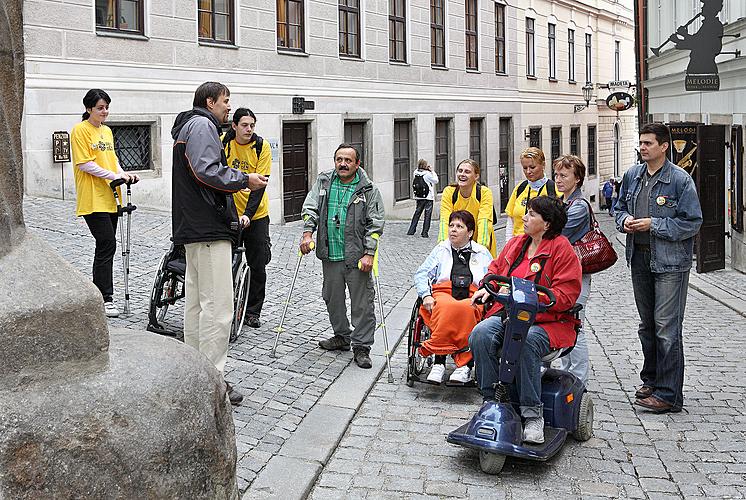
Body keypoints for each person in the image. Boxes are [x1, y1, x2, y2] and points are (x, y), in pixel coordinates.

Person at [171, 82, 268, 406]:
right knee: (219, 309)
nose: (229, 107)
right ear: (210, 101)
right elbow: (206, 171)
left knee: (198, 305)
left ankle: (193, 373)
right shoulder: (202, 125)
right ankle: (211, 381)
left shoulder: (191, 124)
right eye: (226, 101)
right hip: (208, 228)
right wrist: (245, 180)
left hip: (195, 228)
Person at [469, 196, 581, 444]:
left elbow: (567, 295)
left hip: (546, 322)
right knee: (481, 334)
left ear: (547, 223)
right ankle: (492, 400)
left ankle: (532, 414)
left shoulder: (562, 249)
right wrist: (490, 287)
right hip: (508, 315)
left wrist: (532, 298)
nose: (524, 217)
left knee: (527, 341)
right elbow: (495, 270)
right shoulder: (516, 244)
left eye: (531, 214)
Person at [615, 122, 703, 414]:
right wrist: (624, 219)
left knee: (667, 327)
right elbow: (617, 207)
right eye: (641, 143)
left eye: (648, 143)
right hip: (638, 258)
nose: (642, 147)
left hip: (670, 262)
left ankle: (669, 395)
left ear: (664, 146)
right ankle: (651, 381)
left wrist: (655, 225)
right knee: (647, 325)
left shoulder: (679, 180)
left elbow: (692, 222)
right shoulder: (633, 175)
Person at [300, 144, 385, 369]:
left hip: (357, 257)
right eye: (339, 159)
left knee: (362, 304)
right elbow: (311, 207)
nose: (343, 164)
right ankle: (341, 336)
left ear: (358, 164)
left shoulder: (368, 190)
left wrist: (369, 253)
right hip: (331, 253)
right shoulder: (325, 183)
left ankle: (362, 346)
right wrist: (308, 232)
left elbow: (375, 223)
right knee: (332, 298)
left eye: (348, 160)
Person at [70, 89, 139, 318]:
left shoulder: (107, 131)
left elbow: (113, 160)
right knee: (106, 242)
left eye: (106, 107)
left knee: (108, 245)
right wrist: (112, 176)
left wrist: (123, 175)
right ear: (89, 109)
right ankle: (104, 297)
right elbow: (84, 163)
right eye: (100, 108)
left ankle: (102, 295)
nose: (105, 112)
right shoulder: (80, 130)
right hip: (92, 197)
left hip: (111, 196)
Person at [413, 210, 492, 384]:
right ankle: (439, 363)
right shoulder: (441, 249)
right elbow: (421, 274)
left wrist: (488, 290)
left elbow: (492, 277)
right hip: (445, 292)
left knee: (467, 309)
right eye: (451, 225)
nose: (453, 230)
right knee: (444, 307)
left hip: (473, 295)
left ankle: (465, 366)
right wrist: (426, 295)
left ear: (470, 232)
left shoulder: (482, 253)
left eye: (459, 226)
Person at [223, 107, 272, 328]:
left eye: (252, 125)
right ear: (234, 126)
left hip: (256, 214)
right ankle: (227, 304)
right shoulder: (224, 142)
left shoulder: (261, 146)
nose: (249, 129)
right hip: (230, 212)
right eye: (244, 125)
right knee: (228, 261)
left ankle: (253, 311)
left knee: (257, 263)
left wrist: (248, 215)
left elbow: (260, 185)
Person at [553, 155, 592, 385]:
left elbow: (556, 232)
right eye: (557, 175)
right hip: (563, 274)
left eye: (563, 175)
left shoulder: (578, 207)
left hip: (577, 275)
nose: (558, 179)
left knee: (576, 326)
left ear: (576, 179)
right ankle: (569, 375)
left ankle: (579, 380)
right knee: (565, 325)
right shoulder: (565, 202)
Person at [438, 159, 497, 257]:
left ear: (476, 176)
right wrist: (444, 246)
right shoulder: (449, 192)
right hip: (457, 244)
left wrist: (480, 249)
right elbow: (445, 220)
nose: (462, 174)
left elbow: (484, 221)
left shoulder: (484, 193)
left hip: (479, 243)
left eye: (467, 172)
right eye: (460, 171)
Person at [504, 147, 559, 243]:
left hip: (543, 246)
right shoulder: (520, 188)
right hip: (517, 245)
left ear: (543, 165)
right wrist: (508, 244)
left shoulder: (554, 189)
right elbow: (511, 220)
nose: (528, 171)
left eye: (532, 167)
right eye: (525, 168)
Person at [407, 159, 439, 237]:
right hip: (428, 198)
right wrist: (432, 171)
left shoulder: (415, 172)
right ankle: (424, 233)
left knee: (417, 213)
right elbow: (436, 180)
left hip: (419, 197)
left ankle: (411, 230)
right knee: (427, 216)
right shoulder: (427, 174)